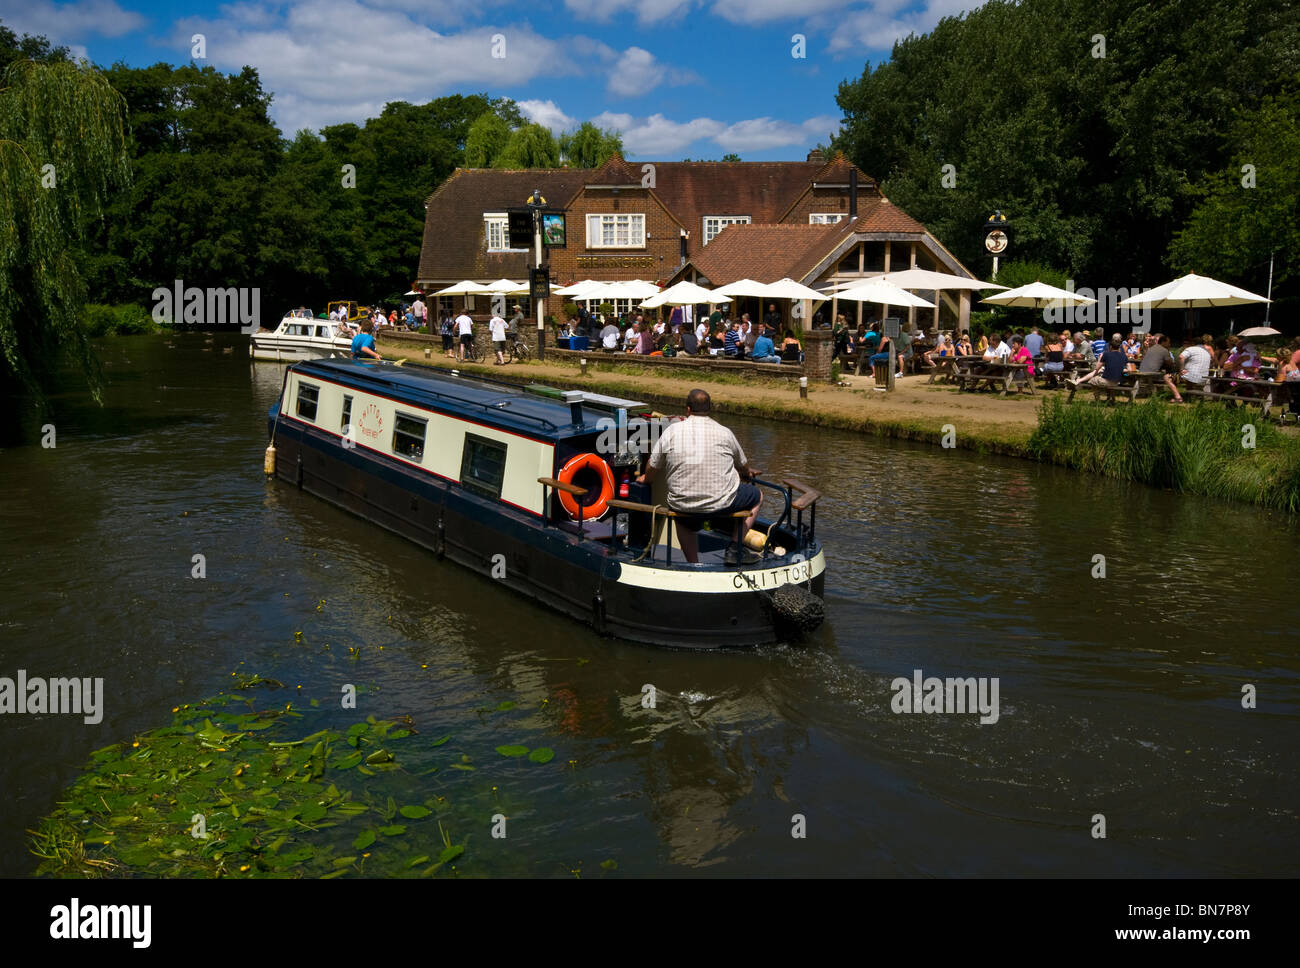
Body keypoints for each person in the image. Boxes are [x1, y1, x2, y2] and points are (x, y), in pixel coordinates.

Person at [637, 388, 762, 566]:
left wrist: (646, 479)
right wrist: (745, 474)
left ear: (688, 409)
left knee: (683, 521)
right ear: (710, 408)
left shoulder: (672, 432)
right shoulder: (725, 432)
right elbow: (742, 465)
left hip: (684, 505)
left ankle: (694, 564)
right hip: (722, 504)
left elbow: (653, 465)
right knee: (757, 496)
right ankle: (735, 547)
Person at [1138, 332, 1184, 402]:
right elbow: (1170, 364)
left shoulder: (1151, 348)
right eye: (1168, 342)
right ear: (1163, 342)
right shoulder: (1164, 350)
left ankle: (1156, 394)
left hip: (1142, 371)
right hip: (1152, 374)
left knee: (1167, 375)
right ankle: (1178, 397)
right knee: (1169, 376)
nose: (1169, 344)